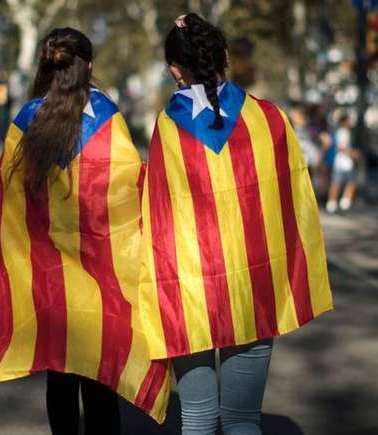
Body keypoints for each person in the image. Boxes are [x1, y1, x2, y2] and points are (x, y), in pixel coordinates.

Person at [0, 27, 171, 433]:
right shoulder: (109, 118)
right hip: (100, 283)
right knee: (99, 380)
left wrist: (12, 267)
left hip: (49, 282)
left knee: (59, 377)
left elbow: (7, 198)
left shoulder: (26, 120)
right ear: (88, 66)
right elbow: (131, 192)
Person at [138, 13, 334, 435]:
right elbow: (295, 199)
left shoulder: (169, 128)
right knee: (244, 421)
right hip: (254, 290)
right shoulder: (270, 119)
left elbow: (155, 215)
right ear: (225, 56)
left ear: (174, 70)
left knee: (197, 421)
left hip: (189, 292)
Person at [326, 114, 359, 213]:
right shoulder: (342, 132)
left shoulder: (346, 132)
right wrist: (352, 153)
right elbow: (340, 147)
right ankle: (333, 203)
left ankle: (343, 203)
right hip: (341, 162)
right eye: (349, 120)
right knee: (337, 183)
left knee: (349, 182)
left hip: (346, 163)